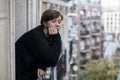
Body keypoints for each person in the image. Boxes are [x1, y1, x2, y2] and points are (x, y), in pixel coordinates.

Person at [15, 9, 63, 80]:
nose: (57, 24)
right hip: (19, 74)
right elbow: (53, 60)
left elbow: (44, 53)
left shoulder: (46, 34)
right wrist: (56, 38)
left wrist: (42, 65)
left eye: (59, 22)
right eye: (53, 21)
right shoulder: (36, 36)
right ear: (45, 23)